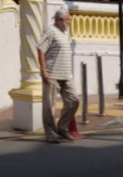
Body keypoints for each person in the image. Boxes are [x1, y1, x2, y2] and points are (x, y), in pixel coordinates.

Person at [36, 8, 80, 144]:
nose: (70, 22)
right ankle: (50, 133)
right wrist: (44, 70)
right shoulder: (51, 31)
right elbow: (40, 49)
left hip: (66, 75)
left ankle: (62, 127)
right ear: (60, 20)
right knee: (49, 106)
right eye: (68, 20)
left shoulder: (65, 32)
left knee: (74, 100)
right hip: (52, 74)